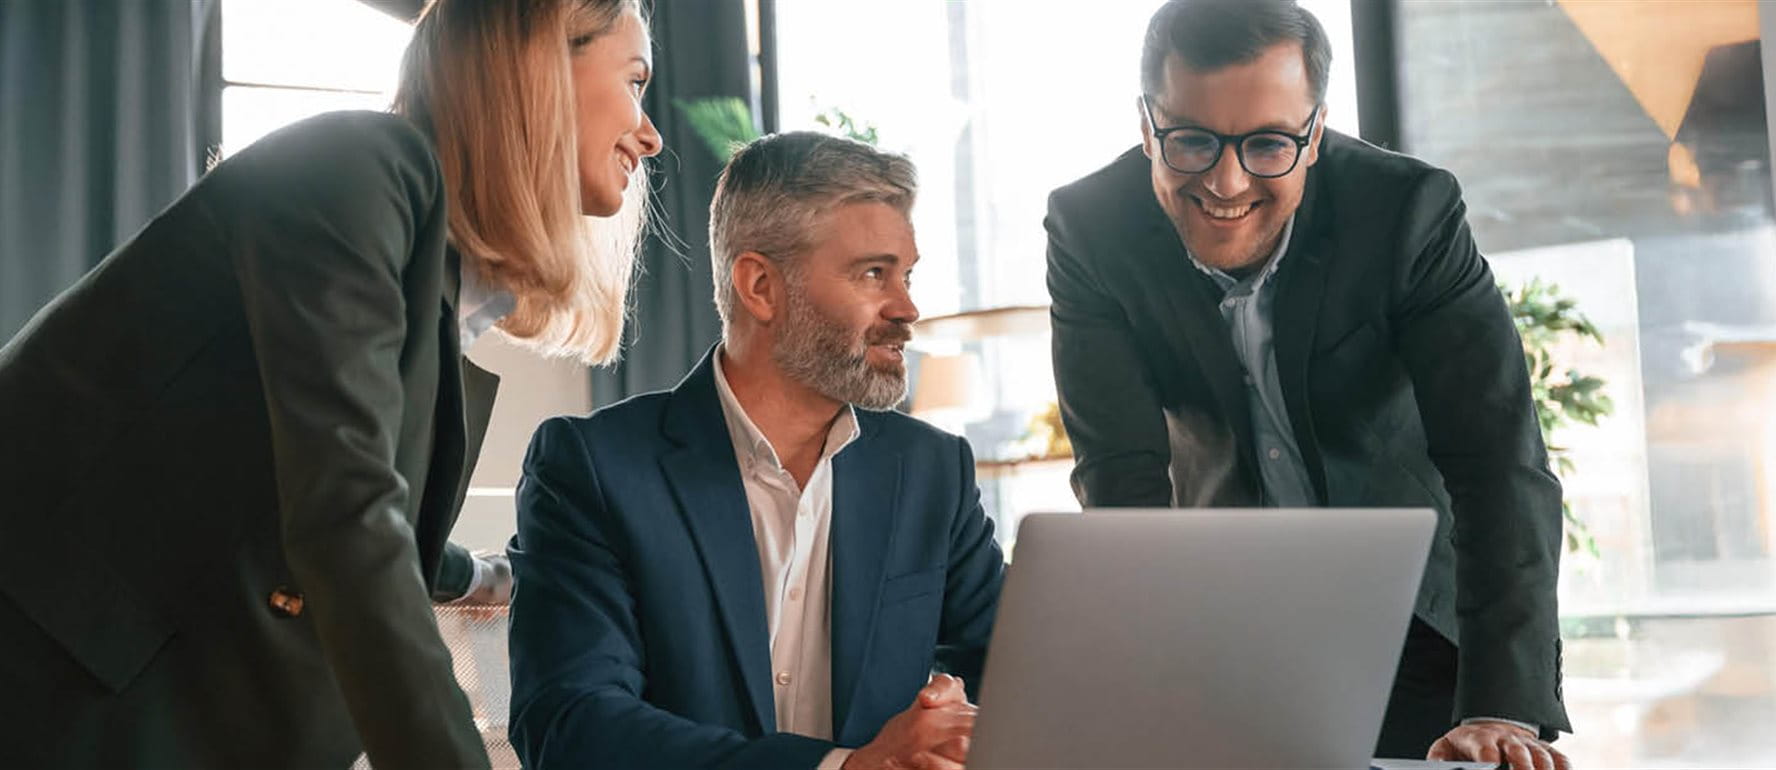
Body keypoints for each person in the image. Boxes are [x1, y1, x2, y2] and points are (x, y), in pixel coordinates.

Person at [0, 0, 662, 767]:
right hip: (53, 687)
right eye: (635, 79)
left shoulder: (432, 273)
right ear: (537, 65)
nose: (649, 133)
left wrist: (486, 576)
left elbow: (338, 497)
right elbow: (344, 512)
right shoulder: (362, 166)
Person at [1044, 1, 1572, 768]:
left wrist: (1501, 708)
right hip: (1230, 625)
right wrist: (1146, 688)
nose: (1226, 182)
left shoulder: (1406, 213)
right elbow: (1120, 478)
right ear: (1145, 123)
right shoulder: (1090, 228)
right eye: (1190, 141)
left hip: (1428, 621)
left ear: (1315, 132)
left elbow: (1498, 461)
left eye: (1267, 144)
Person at [507, 131, 1004, 770]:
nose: (907, 307)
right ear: (760, 287)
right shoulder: (593, 469)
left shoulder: (934, 472)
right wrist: (844, 769)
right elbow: (571, 725)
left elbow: (1024, 676)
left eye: (906, 275)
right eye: (874, 273)